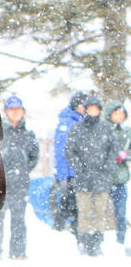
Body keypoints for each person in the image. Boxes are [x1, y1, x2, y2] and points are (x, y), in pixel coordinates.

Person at [65, 95, 117, 257]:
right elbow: (70, 150)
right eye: (90, 109)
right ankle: (84, 240)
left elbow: (113, 149)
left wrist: (106, 167)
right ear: (86, 110)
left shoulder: (106, 128)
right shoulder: (77, 129)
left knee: (99, 212)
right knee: (85, 211)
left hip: (101, 178)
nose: (93, 111)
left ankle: (97, 242)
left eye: (96, 108)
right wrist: (80, 168)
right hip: (83, 179)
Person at [0, 95, 39, 259]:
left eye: (18, 110)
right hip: (1, 182)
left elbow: (34, 157)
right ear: (6, 112)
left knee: (19, 218)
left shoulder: (28, 134)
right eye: (12, 110)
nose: (15, 113)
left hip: (20, 182)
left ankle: (18, 252)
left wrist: (23, 170)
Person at [52, 92, 87, 238]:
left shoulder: (78, 120)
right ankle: (61, 232)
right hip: (70, 172)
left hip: (77, 171)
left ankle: (72, 233)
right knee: (69, 204)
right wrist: (64, 175)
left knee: (75, 205)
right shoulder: (68, 123)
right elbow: (62, 152)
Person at [105, 100, 130, 255]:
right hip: (103, 179)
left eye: (121, 113)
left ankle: (120, 242)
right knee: (101, 213)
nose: (119, 116)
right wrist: (112, 155)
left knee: (121, 214)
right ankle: (100, 243)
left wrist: (125, 155)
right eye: (116, 113)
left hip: (120, 178)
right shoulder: (103, 131)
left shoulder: (127, 132)